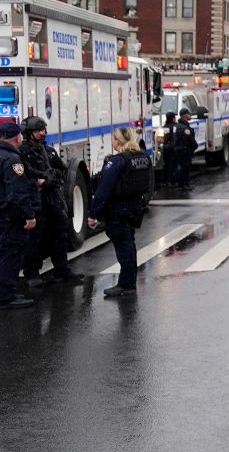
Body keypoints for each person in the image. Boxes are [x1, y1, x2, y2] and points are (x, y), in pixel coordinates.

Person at [89, 127, 153, 299]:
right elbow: (150, 185)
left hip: (118, 210)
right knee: (129, 245)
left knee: (124, 248)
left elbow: (103, 189)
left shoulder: (117, 161)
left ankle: (126, 285)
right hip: (134, 209)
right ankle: (129, 282)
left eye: (113, 139)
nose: (112, 142)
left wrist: (93, 213)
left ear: (118, 141)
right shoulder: (143, 157)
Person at [19, 116, 81, 287]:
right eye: (38, 130)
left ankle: (62, 270)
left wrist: (54, 177)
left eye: (43, 130)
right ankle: (32, 273)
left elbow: (62, 168)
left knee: (60, 232)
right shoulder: (21, 153)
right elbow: (22, 175)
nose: (42, 133)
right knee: (34, 238)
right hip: (35, 199)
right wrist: (41, 180)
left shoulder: (48, 151)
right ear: (28, 133)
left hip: (52, 199)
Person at [0, 122, 38, 309]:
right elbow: (17, 192)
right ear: (17, 138)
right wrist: (29, 215)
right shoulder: (13, 160)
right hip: (10, 217)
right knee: (11, 254)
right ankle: (6, 296)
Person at [172, 107, 198, 190]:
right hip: (184, 150)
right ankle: (185, 185)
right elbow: (189, 140)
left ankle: (181, 184)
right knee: (185, 168)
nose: (190, 115)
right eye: (188, 114)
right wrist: (194, 147)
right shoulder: (184, 128)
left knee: (180, 167)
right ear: (184, 115)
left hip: (178, 150)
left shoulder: (177, 126)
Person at [160, 112, 178, 187]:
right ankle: (172, 181)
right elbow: (174, 138)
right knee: (173, 165)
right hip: (173, 148)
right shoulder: (175, 126)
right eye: (174, 117)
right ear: (173, 118)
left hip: (166, 148)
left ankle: (165, 181)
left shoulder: (165, 126)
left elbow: (165, 137)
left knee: (166, 165)